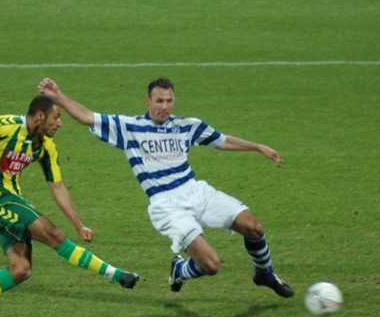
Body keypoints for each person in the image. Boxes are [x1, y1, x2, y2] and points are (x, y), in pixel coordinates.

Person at [38, 77, 294, 299]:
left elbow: (222, 141)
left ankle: (265, 274)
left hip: (196, 191)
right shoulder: (130, 127)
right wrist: (57, 96)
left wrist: (259, 147)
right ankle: (179, 270)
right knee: (211, 265)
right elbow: (86, 116)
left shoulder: (186, 126)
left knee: (254, 227)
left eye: (169, 101)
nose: (165, 107)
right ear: (148, 101)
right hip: (166, 206)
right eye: (159, 101)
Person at [0, 94, 140, 317]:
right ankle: (117, 275)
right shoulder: (6, 126)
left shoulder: (44, 146)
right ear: (39, 116)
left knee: (21, 269)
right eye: (56, 118)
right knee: (54, 235)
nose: (60, 123)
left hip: (11, 203)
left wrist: (79, 224)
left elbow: (57, 185)